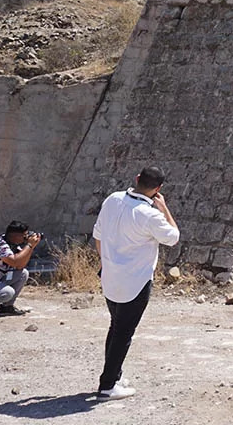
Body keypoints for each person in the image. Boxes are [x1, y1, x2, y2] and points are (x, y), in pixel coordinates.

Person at [93, 166, 180, 400]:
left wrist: (104, 265)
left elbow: (98, 235)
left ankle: (114, 375)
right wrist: (164, 209)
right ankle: (107, 386)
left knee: (116, 327)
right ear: (158, 189)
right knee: (124, 332)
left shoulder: (113, 200)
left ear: (137, 179)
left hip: (110, 277)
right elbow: (173, 237)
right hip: (136, 282)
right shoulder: (150, 214)